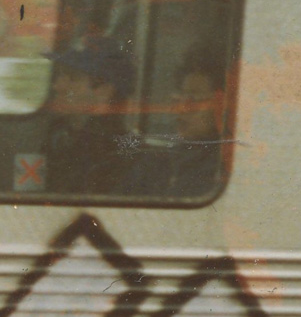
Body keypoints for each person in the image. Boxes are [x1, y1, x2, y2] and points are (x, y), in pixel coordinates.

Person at [41, 36, 135, 195]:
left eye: (73, 78)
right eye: (60, 75)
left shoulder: (114, 154)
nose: (57, 86)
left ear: (104, 92)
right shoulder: (59, 134)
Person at [125, 61, 225, 198]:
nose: (182, 108)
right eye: (180, 97)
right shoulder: (158, 161)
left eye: (195, 99)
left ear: (222, 106)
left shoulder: (221, 169)